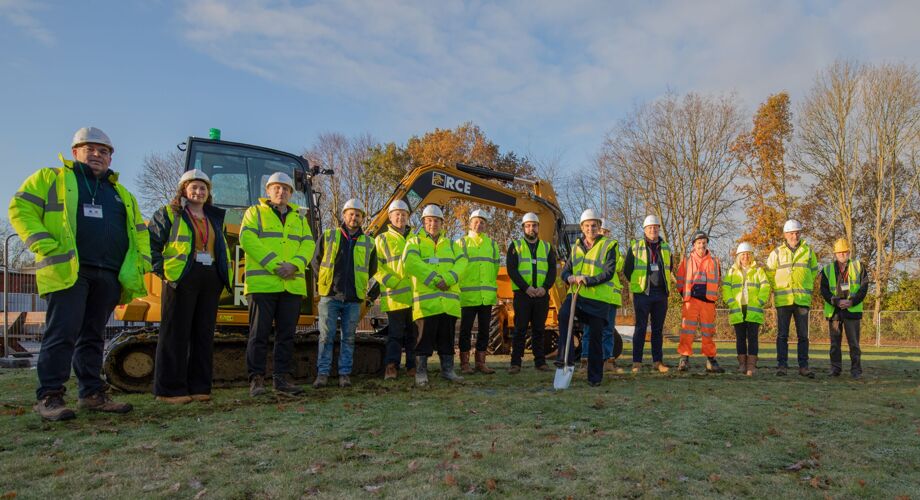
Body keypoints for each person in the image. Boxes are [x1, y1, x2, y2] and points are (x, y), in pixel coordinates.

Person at [9, 127, 150, 421]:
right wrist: (42, 243)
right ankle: (50, 396)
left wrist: (143, 262)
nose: (97, 155)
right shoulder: (53, 179)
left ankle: (92, 394)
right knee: (62, 333)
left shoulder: (120, 193)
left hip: (108, 273)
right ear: (75, 153)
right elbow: (20, 207)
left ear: (111, 158)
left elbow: (139, 232)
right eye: (91, 149)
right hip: (69, 270)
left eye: (104, 151)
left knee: (93, 336)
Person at [148, 170, 231, 404]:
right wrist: (162, 271)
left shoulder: (213, 217)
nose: (199, 191)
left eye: (203, 188)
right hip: (181, 277)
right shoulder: (169, 214)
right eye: (193, 187)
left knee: (203, 334)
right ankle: (169, 390)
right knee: (175, 333)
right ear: (183, 190)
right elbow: (150, 243)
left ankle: (200, 387)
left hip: (210, 277)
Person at [240, 172, 316, 397]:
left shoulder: (299, 218)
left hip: (290, 286)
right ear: (268, 191)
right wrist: (275, 266)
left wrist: (294, 265)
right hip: (263, 285)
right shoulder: (254, 213)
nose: (281, 192)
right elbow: (248, 240)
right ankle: (256, 380)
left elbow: (308, 245)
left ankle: (281, 379)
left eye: (285, 188)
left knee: (286, 336)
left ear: (291, 193)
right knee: (258, 334)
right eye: (276, 188)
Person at [400, 204, 467, 386]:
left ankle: (448, 370)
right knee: (423, 340)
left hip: (448, 303)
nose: (433, 224)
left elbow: (462, 263)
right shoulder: (414, 242)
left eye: (436, 220)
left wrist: (449, 278)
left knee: (447, 339)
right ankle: (421, 372)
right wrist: (435, 279)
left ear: (442, 223)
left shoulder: (452, 244)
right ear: (423, 222)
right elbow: (411, 263)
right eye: (429, 220)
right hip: (426, 303)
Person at [313, 199, 376, 388]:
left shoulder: (369, 243)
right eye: (351, 213)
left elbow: (372, 268)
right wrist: (325, 281)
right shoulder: (329, 235)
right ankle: (322, 374)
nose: (354, 217)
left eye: (358, 215)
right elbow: (316, 262)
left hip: (354, 298)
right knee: (326, 336)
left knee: (348, 338)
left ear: (362, 218)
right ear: (343, 215)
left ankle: (344, 374)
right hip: (330, 295)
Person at [555, 209, 618, 387]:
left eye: (594, 225)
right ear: (582, 228)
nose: (590, 228)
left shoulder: (609, 246)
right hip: (577, 296)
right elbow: (566, 271)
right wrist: (568, 277)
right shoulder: (576, 248)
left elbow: (609, 272)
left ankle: (595, 377)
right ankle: (564, 359)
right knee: (564, 315)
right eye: (587, 226)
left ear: (599, 227)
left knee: (596, 337)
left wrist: (588, 280)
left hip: (598, 300)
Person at [765, 219, 820, 378]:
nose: (794, 236)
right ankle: (782, 366)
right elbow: (769, 273)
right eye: (791, 233)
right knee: (782, 335)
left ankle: (803, 367)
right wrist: (777, 287)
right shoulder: (776, 253)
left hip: (802, 299)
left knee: (803, 336)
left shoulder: (808, 251)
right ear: (785, 234)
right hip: (784, 300)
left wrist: (805, 285)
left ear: (800, 234)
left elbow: (813, 271)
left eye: (796, 233)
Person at [506, 212, 557, 374]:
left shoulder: (547, 247)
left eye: (534, 225)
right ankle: (515, 363)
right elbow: (512, 270)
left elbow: (552, 271)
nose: (531, 228)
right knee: (520, 329)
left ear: (538, 227)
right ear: (523, 228)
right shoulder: (515, 246)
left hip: (542, 295)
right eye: (528, 225)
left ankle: (540, 362)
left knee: (539, 330)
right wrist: (526, 288)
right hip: (523, 295)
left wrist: (545, 288)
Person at [623, 215, 674, 373]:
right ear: (644, 230)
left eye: (656, 227)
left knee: (658, 329)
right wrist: (639, 283)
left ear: (659, 229)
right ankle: (636, 362)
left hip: (660, 294)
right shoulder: (636, 246)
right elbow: (627, 269)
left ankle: (657, 361)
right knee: (640, 328)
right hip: (642, 293)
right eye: (650, 227)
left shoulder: (665, 247)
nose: (653, 229)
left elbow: (669, 268)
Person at [374, 200, 416, 380]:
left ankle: (412, 366)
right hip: (395, 296)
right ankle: (392, 366)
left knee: (414, 335)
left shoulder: (416, 238)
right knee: (396, 334)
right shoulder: (382, 239)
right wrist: (392, 281)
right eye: (397, 214)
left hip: (416, 297)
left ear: (408, 217)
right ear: (390, 217)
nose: (400, 217)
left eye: (404, 214)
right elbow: (375, 266)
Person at [456, 209, 500, 375]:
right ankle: (465, 363)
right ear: (470, 223)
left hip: (486, 296)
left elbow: (494, 268)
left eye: (482, 222)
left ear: (486, 225)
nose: (479, 224)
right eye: (476, 221)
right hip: (468, 295)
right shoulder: (461, 243)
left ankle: (481, 362)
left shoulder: (492, 245)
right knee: (465, 330)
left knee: (484, 330)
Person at [820, 238, 868, 379]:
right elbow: (823, 290)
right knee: (835, 344)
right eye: (839, 252)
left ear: (849, 252)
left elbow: (864, 288)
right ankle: (835, 369)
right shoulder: (827, 269)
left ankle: (856, 371)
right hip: (834, 311)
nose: (842, 254)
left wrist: (852, 302)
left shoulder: (859, 267)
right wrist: (835, 301)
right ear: (835, 254)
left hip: (852, 311)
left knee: (854, 344)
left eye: (845, 252)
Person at [675, 231, 723, 373]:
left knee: (708, 331)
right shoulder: (687, 260)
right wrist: (685, 295)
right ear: (694, 245)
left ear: (706, 244)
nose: (701, 245)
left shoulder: (714, 261)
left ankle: (710, 360)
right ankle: (684, 358)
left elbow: (718, 280)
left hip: (708, 302)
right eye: (699, 243)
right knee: (687, 330)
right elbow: (679, 280)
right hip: (691, 301)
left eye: (704, 242)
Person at [580, 220, 624, 373]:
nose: (604, 234)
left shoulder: (612, 248)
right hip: (591, 294)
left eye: (606, 232)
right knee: (588, 329)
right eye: (602, 231)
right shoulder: (588, 249)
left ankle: (608, 360)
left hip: (608, 296)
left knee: (608, 329)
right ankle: (585, 360)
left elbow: (618, 266)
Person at [721, 242, 771, 376]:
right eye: (743, 254)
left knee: (753, 338)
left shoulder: (758, 270)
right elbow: (726, 288)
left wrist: (760, 301)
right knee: (740, 338)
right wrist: (731, 302)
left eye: (748, 254)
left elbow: (765, 287)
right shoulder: (731, 271)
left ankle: (751, 366)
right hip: (738, 309)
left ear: (751, 256)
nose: (745, 257)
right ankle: (742, 364)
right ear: (738, 256)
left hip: (753, 309)